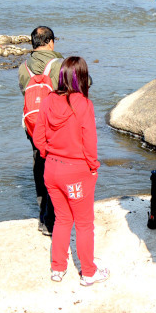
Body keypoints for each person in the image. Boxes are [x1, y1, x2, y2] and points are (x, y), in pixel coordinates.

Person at [32, 56, 108, 286]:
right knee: (84, 223)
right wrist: (93, 167)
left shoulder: (47, 100)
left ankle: (58, 269)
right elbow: (89, 142)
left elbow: (38, 137)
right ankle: (88, 272)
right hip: (76, 171)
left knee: (62, 219)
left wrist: (49, 155)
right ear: (83, 78)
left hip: (52, 169)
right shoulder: (84, 104)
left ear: (62, 75)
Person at [18, 25, 63, 236]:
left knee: (39, 165)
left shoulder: (23, 67)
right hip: (55, 126)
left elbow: (24, 92)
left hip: (32, 124)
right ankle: (50, 220)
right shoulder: (59, 64)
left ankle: (42, 215)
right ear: (51, 42)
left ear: (32, 43)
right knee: (56, 168)